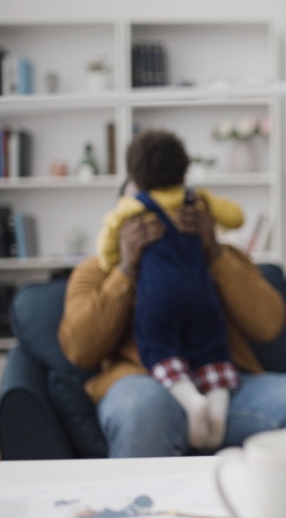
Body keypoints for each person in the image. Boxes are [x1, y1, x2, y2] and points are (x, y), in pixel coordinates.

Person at [59, 146, 286, 459]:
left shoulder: (221, 256)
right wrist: (125, 270)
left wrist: (213, 252)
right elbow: (80, 350)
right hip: (140, 383)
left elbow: (269, 324)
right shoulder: (96, 269)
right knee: (144, 407)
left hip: (225, 387)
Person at [95, 130, 246, 450]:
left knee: (158, 346)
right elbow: (236, 217)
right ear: (184, 169)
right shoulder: (198, 200)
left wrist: (118, 262)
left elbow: (105, 252)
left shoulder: (131, 208)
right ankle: (217, 409)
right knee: (212, 347)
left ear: (134, 175)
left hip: (159, 296)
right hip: (200, 293)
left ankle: (193, 403)